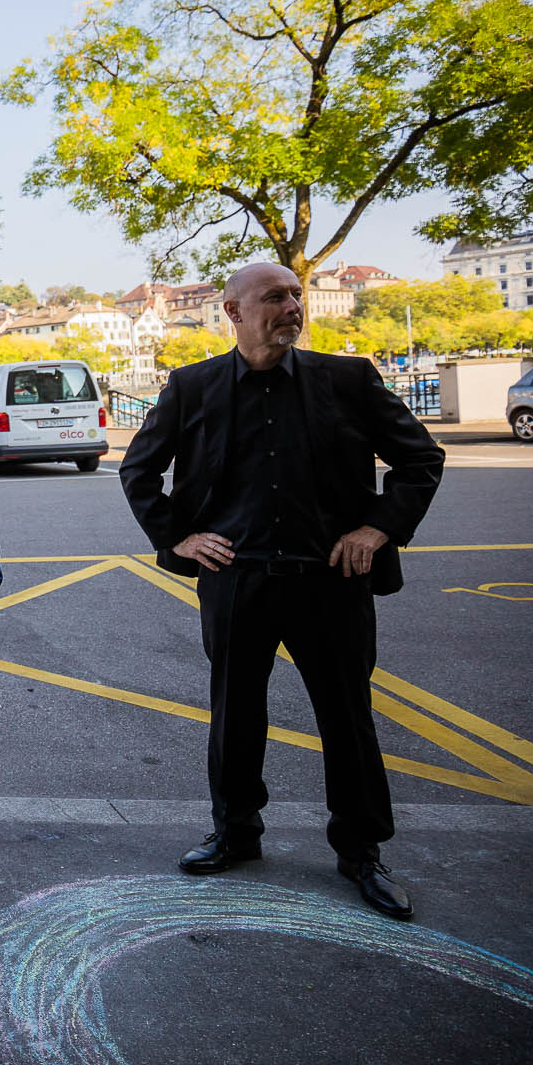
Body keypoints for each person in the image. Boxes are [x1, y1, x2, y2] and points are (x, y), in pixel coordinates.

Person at [119, 263, 444, 920]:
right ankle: (235, 832)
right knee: (234, 714)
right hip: (237, 579)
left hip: (332, 580)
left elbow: (421, 457)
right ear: (233, 311)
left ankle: (362, 851)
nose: (292, 305)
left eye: (296, 295)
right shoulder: (192, 386)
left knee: (347, 718)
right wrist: (179, 538)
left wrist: (377, 528)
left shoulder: (347, 380)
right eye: (275, 296)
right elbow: (139, 469)